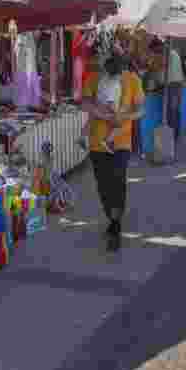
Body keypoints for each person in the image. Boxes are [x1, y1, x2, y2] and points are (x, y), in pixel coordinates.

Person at [79, 52, 145, 252]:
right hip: (97, 143)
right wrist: (101, 114)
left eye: (115, 72)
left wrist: (123, 118)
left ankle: (116, 222)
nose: (111, 75)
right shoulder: (93, 77)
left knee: (118, 180)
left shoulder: (132, 80)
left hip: (121, 141)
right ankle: (111, 215)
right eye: (108, 72)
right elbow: (84, 103)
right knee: (103, 184)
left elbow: (141, 110)